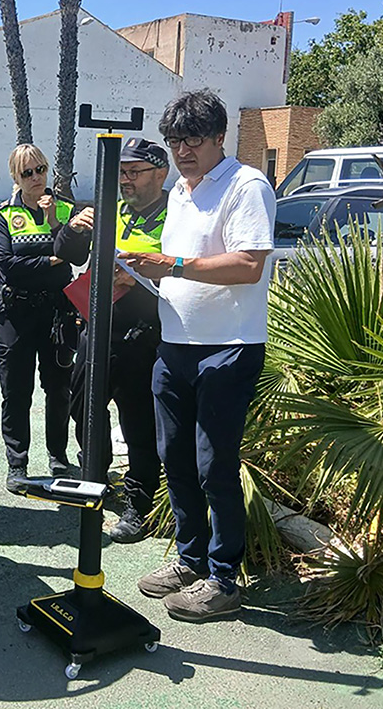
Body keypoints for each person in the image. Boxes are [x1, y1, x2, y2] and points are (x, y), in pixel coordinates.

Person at [118, 89, 275, 622]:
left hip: (228, 349)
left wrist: (173, 264)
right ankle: (190, 561)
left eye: (193, 139)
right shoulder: (182, 193)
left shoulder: (246, 185)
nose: (183, 151)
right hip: (175, 347)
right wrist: (137, 272)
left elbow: (249, 264)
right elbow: (176, 269)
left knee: (215, 467)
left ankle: (224, 579)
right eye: (174, 141)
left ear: (219, 137)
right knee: (177, 461)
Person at [54, 137, 168, 542]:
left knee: (138, 424)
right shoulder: (112, 211)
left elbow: (183, 275)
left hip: (142, 338)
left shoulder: (177, 216)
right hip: (97, 329)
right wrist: (72, 229)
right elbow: (67, 253)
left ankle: (139, 502)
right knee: (82, 407)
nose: (125, 180)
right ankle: (95, 479)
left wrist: (139, 280)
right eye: (121, 172)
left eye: (134, 172)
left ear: (161, 173)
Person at [0, 144, 77, 492]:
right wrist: (53, 260)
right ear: (16, 176)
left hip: (56, 311)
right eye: (27, 173)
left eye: (40, 169)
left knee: (58, 388)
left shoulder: (66, 209)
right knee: (16, 390)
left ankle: (58, 456)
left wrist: (55, 221)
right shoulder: (4, 214)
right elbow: (8, 265)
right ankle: (18, 463)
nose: (36, 177)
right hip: (16, 312)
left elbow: (78, 254)